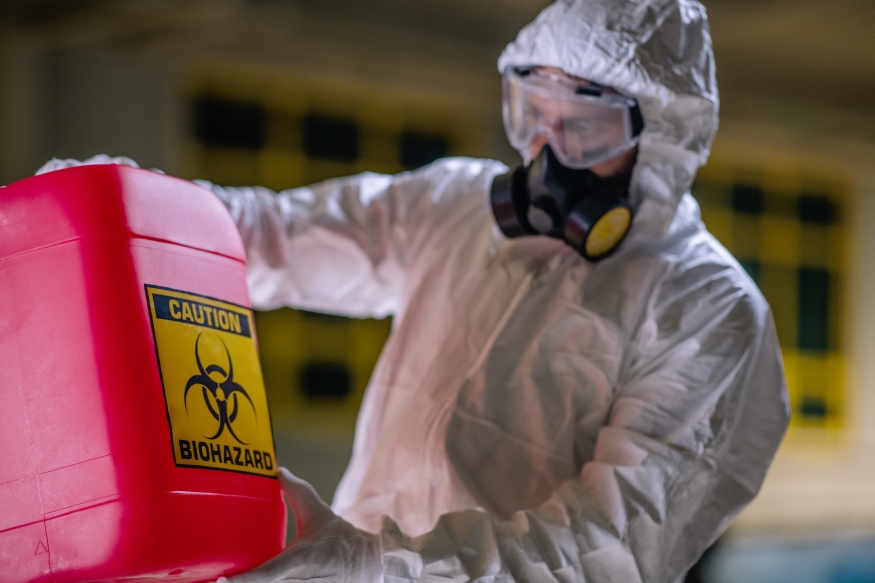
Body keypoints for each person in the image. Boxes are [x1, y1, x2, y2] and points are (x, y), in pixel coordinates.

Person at [39, 0, 790, 581]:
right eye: (532, 110)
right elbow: (263, 237)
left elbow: (607, 551)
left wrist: (366, 565)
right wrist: (125, 208)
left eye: (584, 127)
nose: (543, 153)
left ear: (659, 140)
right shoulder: (457, 208)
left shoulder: (707, 312)